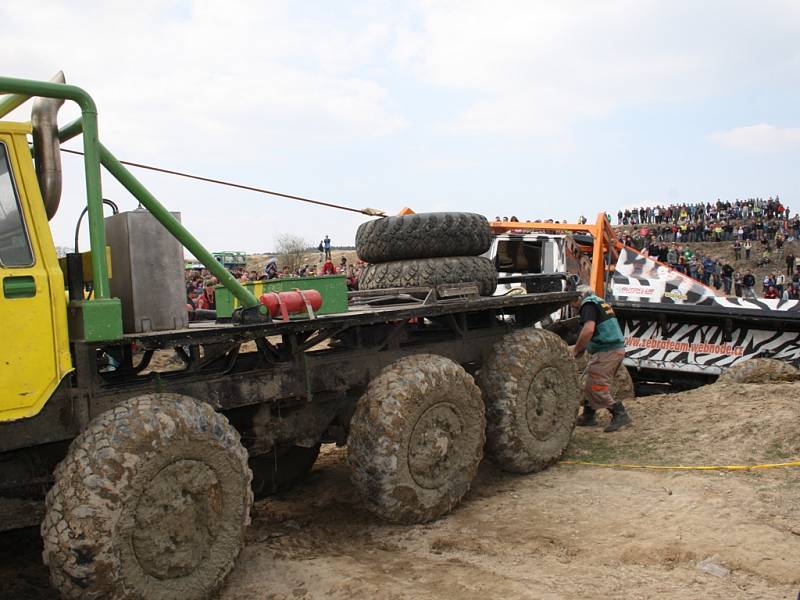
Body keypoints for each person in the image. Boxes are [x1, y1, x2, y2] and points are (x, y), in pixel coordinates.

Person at [572, 285, 631, 433]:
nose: (572, 306)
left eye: (572, 301)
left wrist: (576, 350)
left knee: (597, 386)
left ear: (580, 297)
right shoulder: (599, 302)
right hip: (611, 349)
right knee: (590, 383)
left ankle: (620, 414)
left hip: (607, 350)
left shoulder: (588, 304)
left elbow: (589, 329)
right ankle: (588, 415)